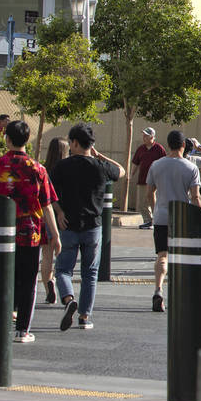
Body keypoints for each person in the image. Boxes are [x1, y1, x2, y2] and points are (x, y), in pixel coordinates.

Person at [50, 123, 123, 331]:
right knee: (90, 273)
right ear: (91, 144)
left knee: (63, 269)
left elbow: (50, 192)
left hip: (68, 225)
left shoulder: (62, 166)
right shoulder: (100, 167)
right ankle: (84, 316)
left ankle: (68, 298)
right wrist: (101, 156)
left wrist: (59, 211)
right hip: (93, 227)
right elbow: (122, 171)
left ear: (73, 142)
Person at [0, 120, 61, 343]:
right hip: (29, 233)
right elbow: (47, 205)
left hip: (1, 233)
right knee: (27, 281)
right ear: (27, 140)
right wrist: (55, 235)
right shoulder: (38, 169)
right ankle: (22, 330)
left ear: (7, 139)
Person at [146, 130, 201, 312]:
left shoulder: (156, 165)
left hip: (161, 216)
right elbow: (195, 197)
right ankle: (179, 296)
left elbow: (149, 193)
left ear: (168, 144)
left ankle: (158, 289)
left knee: (162, 255)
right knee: (181, 258)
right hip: (182, 217)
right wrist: (200, 216)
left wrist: (156, 209)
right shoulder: (191, 168)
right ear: (184, 145)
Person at [40, 136, 70, 305]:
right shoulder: (67, 170)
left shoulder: (44, 169)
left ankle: (48, 287)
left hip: (45, 216)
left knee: (46, 255)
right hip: (65, 217)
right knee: (63, 255)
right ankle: (62, 288)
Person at [131, 127, 165, 229]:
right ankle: (148, 221)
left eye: (146, 135)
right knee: (142, 203)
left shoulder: (159, 148)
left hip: (155, 181)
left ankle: (156, 220)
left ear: (152, 137)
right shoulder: (140, 149)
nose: (144, 137)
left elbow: (164, 163)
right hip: (142, 179)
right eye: (143, 135)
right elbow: (135, 163)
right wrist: (131, 175)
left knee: (153, 201)